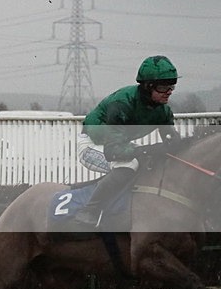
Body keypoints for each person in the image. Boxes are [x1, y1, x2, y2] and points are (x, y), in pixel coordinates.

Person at [73, 55, 181, 227]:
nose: (169, 91)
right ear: (147, 86)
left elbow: (172, 144)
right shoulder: (121, 104)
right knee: (128, 165)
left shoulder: (164, 111)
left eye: (171, 86)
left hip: (119, 143)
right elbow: (112, 152)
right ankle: (89, 210)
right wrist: (149, 150)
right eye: (163, 87)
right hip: (93, 145)